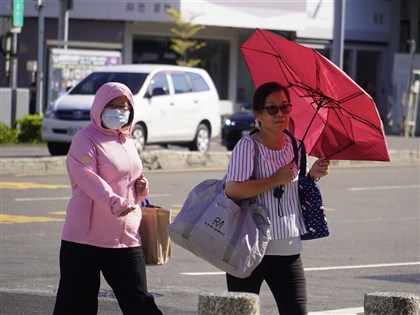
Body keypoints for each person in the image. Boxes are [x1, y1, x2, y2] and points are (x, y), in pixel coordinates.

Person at [53, 82, 163, 315]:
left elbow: (131, 176)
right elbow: (86, 177)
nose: (119, 111)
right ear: (99, 107)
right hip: (85, 240)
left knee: (140, 303)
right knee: (76, 306)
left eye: (124, 106)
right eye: (112, 105)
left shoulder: (126, 139)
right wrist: (114, 201)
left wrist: (142, 186)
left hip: (126, 238)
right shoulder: (85, 139)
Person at [224, 82, 330, 315]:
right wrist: (274, 179)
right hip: (248, 248)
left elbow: (295, 189)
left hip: (288, 248)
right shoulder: (247, 146)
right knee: (241, 312)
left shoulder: (296, 146)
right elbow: (232, 190)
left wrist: (312, 175)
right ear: (258, 114)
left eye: (285, 107)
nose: (280, 114)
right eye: (272, 109)